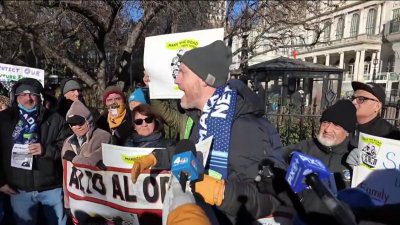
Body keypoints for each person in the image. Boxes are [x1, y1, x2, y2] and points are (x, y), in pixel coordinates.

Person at [131, 40, 287, 224]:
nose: (176, 80)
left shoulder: (244, 126)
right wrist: (156, 158)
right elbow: (196, 154)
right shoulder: (207, 120)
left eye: (182, 73)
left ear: (204, 80)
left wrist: (220, 192)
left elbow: (269, 196)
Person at [0, 78, 67, 225]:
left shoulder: (56, 119)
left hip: (51, 188)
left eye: (32, 94)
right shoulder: (4, 119)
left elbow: (67, 147)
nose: (28, 98)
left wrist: (46, 150)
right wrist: (1, 181)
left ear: (39, 96)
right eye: (23, 94)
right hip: (19, 190)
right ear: (16, 97)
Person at [283, 100, 358, 225]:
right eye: (325, 123)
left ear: (347, 132)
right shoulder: (305, 148)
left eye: (336, 126)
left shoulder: (354, 157)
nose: (328, 129)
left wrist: (357, 169)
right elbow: (277, 157)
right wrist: (290, 158)